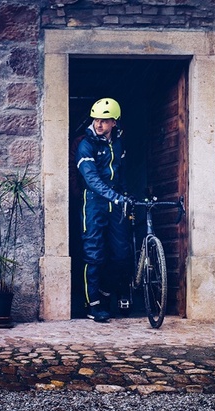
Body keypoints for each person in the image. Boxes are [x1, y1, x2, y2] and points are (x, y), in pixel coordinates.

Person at [75, 98, 132, 322]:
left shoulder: (118, 143)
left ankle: (106, 293)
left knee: (121, 254)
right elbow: (91, 179)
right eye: (96, 119)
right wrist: (116, 197)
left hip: (116, 202)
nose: (99, 124)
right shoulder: (85, 145)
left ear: (114, 123)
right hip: (94, 202)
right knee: (94, 254)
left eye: (104, 120)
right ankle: (92, 305)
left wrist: (126, 195)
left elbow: (122, 173)